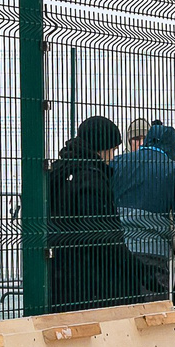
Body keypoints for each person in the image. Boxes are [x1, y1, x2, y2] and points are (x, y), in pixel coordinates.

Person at [45, 115, 132, 311]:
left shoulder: (59, 170)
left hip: (58, 273)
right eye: (112, 150)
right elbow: (101, 236)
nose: (112, 157)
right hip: (89, 281)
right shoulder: (91, 178)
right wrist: (135, 269)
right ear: (102, 147)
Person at [113, 119, 175, 300]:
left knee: (118, 311)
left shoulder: (116, 163)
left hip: (116, 252)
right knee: (153, 313)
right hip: (154, 256)